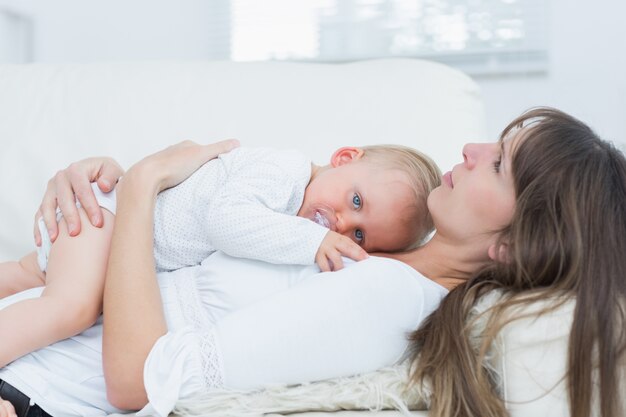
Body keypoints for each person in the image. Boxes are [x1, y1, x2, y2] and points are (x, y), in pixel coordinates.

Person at [1, 107, 623, 417]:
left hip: (35, 392)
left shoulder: (387, 296)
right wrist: (94, 192)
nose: (470, 147)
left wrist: (139, 186)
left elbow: (137, 380)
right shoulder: (377, 244)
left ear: (513, 245)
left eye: (498, 163)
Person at [0, 144, 441, 369]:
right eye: (356, 200)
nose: (341, 222)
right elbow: (225, 221)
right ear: (344, 157)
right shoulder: (283, 171)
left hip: (112, 242)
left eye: (359, 233)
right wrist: (309, 243)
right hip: (109, 215)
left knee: (29, 277)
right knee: (70, 307)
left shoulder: (294, 209)